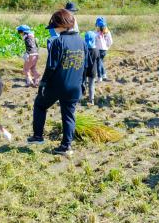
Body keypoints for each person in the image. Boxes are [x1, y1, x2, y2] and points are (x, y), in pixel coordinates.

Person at [27, 9, 88, 156]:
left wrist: (43, 84)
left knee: (40, 105)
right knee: (68, 115)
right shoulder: (82, 41)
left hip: (58, 85)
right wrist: (83, 84)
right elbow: (86, 66)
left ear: (61, 25)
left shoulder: (58, 42)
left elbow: (51, 67)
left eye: (55, 25)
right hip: (75, 86)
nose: (54, 28)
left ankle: (38, 136)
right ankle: (66, 147)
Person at [83, 31, 99, 105]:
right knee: (91, 85)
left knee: (83, 82)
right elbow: (98, 60)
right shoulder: (96, 50)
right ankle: (91, 100)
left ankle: (82, 93)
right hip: (93, 70)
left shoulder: (84, 49)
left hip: (84, 69)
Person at [95, 17, 113, 82]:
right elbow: (110, 42)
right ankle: (104, 75)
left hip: (98, 50)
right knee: (101, 62)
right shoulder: (108, 32)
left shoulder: (96, 33)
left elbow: (94, 42)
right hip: (104, 50)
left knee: (98, 63)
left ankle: (99, 77)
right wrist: (107, 47)